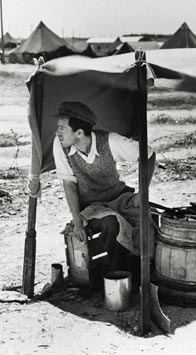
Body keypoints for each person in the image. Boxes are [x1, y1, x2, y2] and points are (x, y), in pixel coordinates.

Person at [52, 101, 156, 277]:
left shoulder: (110, 141)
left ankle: (144, 269)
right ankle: (118, 277)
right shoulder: (60, 145)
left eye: (62, 128)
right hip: (91, 207)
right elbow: (68, 184)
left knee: (148, 221)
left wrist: (142, 193)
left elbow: (149, 155)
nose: (57, 133)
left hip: (119, 198)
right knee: (111, 224)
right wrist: (77, 223)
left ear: (79, 132)